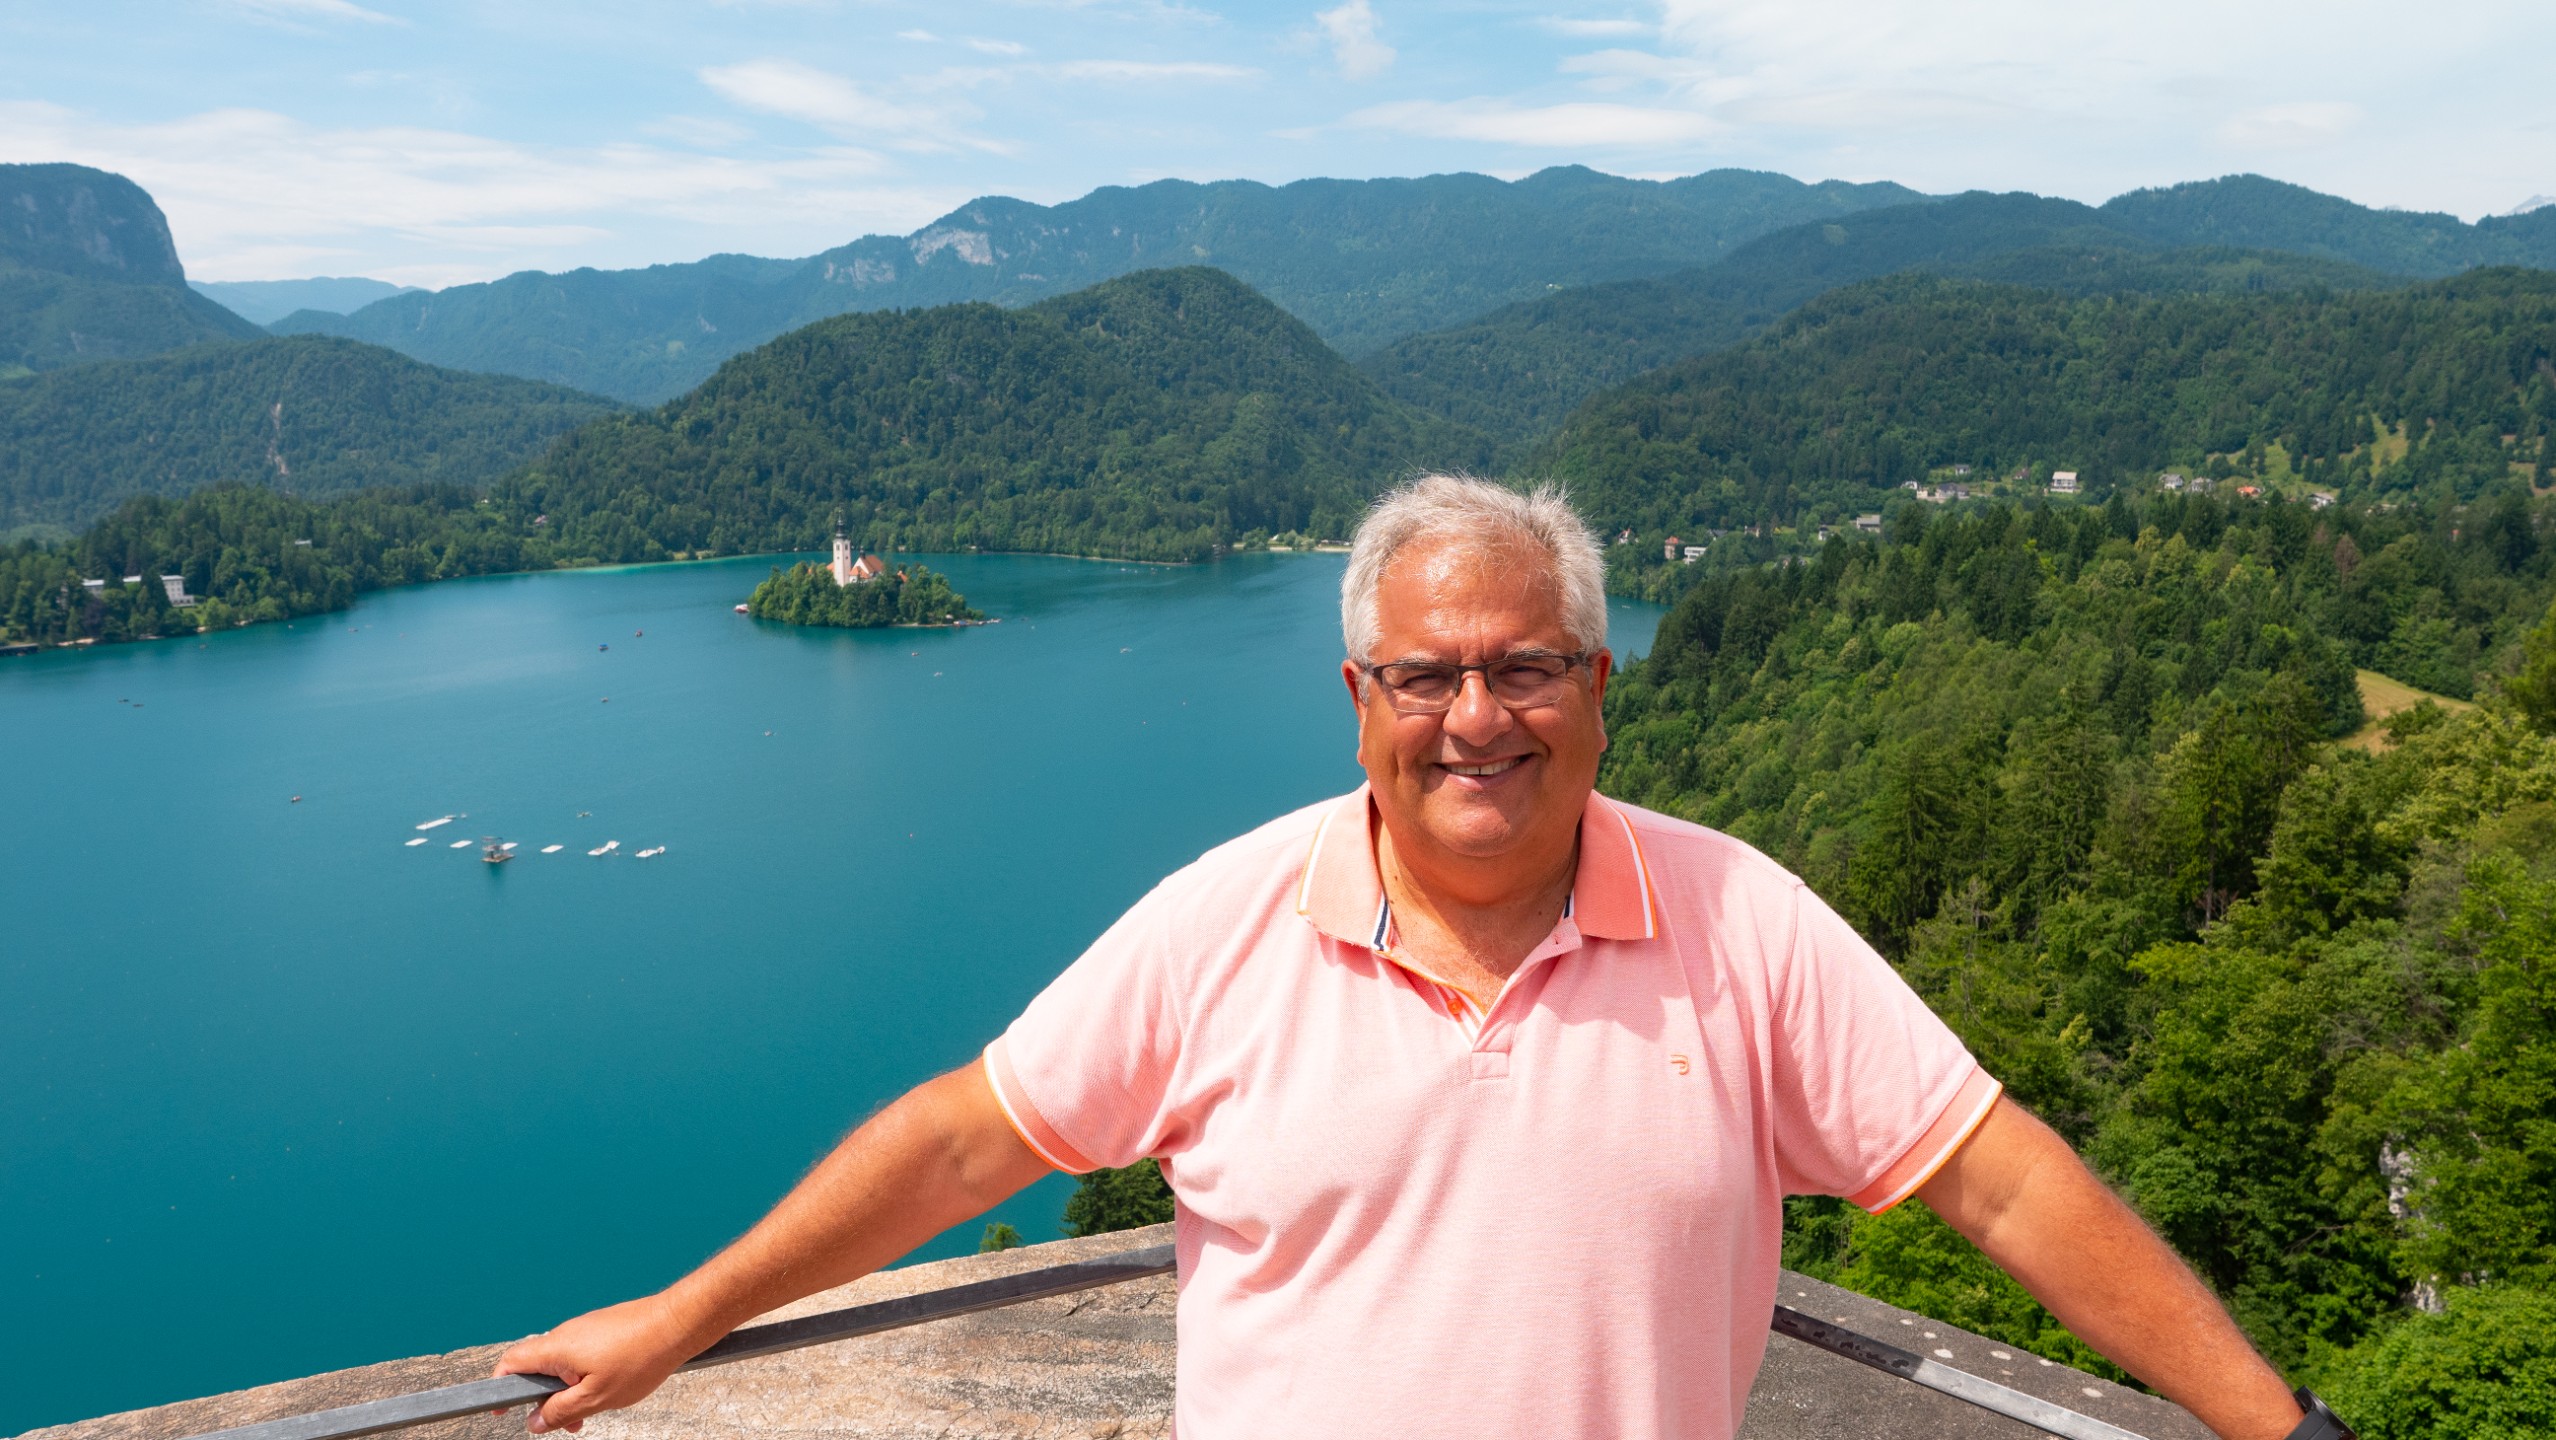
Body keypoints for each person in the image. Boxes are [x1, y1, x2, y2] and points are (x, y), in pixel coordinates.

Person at [496, 476, 2348, 1440]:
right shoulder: (1227, 918)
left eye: (1526, 666)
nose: (1479, 717)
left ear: (1598, 686)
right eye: (1427, 675)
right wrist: (687, 1317)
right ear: (1359, 696)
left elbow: (1999, 1181)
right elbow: (972, 1137)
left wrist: (2281, 1429)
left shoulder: (1742, 921)